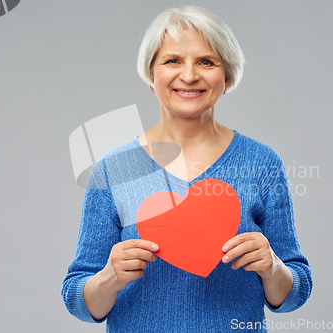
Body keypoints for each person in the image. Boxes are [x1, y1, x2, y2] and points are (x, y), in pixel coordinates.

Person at [62, 6, 312, 332]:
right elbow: (77, 299)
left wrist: (274, 269)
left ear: (228, 77)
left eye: (206, 62)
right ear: (151, 75)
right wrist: (109, 278)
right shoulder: (114, 169)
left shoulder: (262, 163)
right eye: (173, 60)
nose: (190, 75)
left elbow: (294, 294)